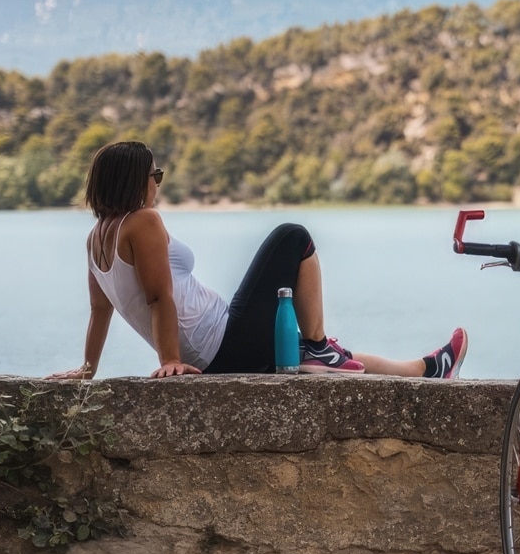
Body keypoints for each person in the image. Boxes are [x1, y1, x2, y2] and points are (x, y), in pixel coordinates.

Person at [48, 140, 468, 380]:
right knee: (293, 236)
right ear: (135, 182)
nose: (157, 184)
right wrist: (170, 362)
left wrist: (87, 369)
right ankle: (318, 347)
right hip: (224, 344)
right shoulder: (142, 222)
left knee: (333, 358)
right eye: (155, 176)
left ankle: (429, 369)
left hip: (223, 342)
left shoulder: (94, 240)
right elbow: (159, 299)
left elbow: (99, 312)